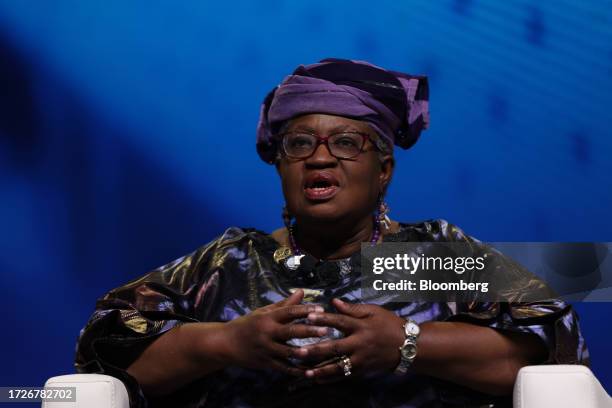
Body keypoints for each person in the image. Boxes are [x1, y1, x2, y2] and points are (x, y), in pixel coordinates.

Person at [75, 58, 589, 408]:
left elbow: (548, 353)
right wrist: (226, 343)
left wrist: (407, 344)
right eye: (299, 144)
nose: (320, 157)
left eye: (346, 142)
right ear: (280, 166)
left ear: (383, 169)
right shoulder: (230, 263)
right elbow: (109, 360)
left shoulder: (422, 258)